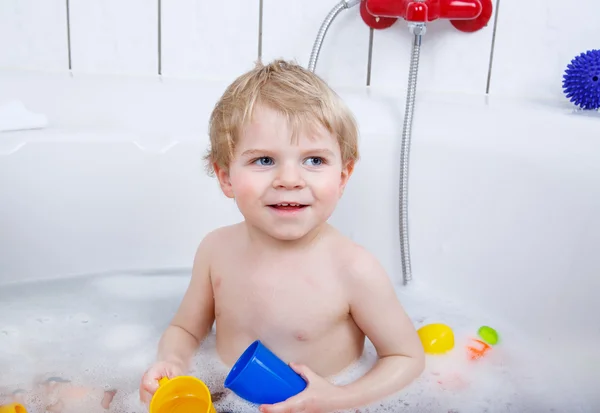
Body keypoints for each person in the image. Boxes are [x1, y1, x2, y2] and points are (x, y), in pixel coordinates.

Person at [139, 59, 425, 413]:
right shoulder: (216, 250)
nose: (289, 179)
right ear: (225, 176)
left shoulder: (352, 269)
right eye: (264, 160)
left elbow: (406, 356)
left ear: (344, 176)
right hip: (221, 395)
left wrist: (339, 398)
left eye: (315, 161)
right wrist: (173, 361)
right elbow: (185, 328)